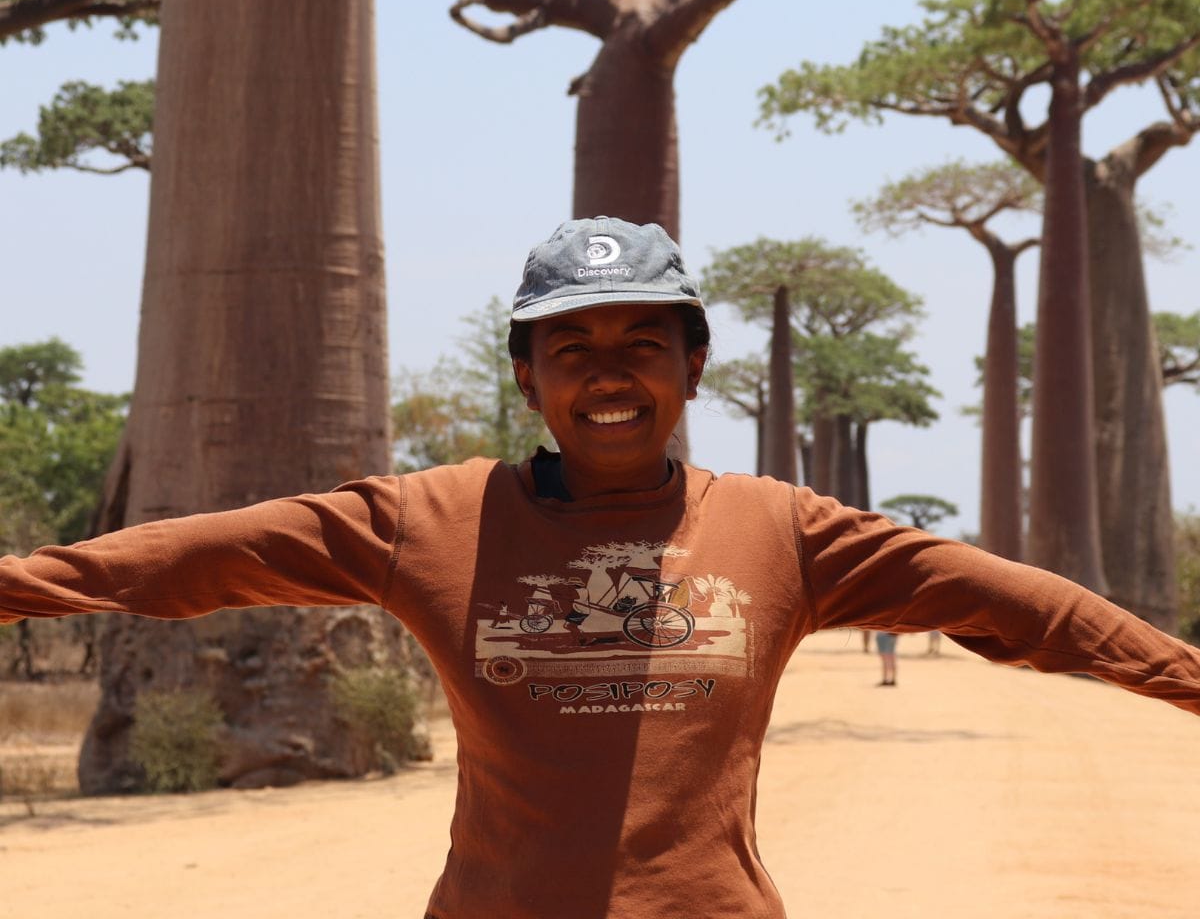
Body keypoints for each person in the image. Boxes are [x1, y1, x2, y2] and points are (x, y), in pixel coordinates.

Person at [2, 214, 1199, 919]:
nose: (608, 372)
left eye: (641, 342)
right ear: (527, 375)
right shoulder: (434, 521)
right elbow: (185, 559)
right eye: (570, 345)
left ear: (693, 367)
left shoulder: (785, 532)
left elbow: (1028, 608)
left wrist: (1188, 678)